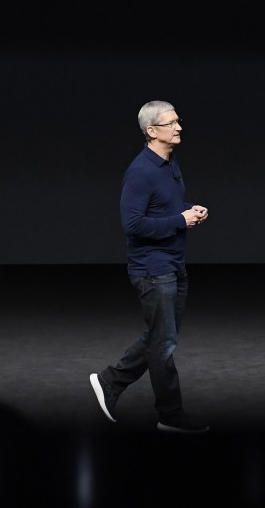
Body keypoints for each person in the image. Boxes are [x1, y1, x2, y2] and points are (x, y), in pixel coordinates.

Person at [90, 100, 211, 433]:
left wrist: (190, 209)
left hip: (173, 263)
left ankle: (110, 381)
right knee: (163, 343)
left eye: (178, 121)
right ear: (152, 131)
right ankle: (170, 414)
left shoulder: (169, 163)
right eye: (171, 123)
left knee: (162, 337)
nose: (179, 127)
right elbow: (132, 225)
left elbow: (165, 207)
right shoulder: (140, 172)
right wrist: (180, 220)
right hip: (153, 270)